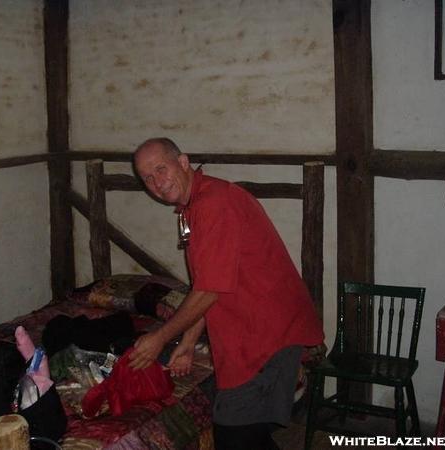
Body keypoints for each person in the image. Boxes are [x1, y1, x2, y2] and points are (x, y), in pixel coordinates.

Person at [129, 138, 324, 450]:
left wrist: (161, 338)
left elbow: (207, 290)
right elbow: (207, 285)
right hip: (249, 331)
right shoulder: (195, 204)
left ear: (183, 162)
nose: (156, 183)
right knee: (247, 435)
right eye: (147, 178)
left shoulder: (215, 204)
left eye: (160, 169)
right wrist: (190, 343)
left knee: (234, 433)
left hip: (267, 336)